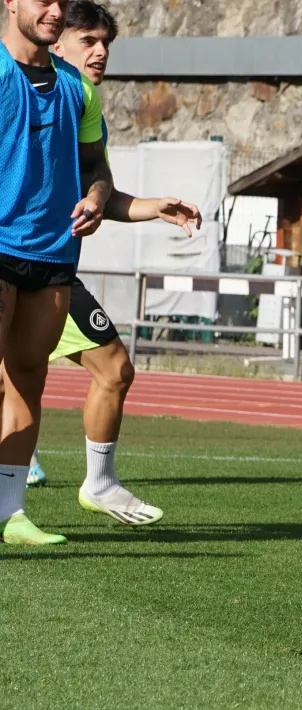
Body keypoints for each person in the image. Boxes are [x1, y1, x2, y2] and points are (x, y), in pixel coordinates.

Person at [7, 0, 201, 529]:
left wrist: (147, 207)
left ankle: (56, 492)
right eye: (88, 41)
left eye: (106, 43)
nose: (100, 52)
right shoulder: (15, 79)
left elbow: (96, 185)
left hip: (52, 263)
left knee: (89, 373)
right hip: (16, 256)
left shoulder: (79, 98)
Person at [0, 0, 114, 544]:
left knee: (28, 378)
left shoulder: (77, 88)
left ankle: (10, 512)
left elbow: (96, 167)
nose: (53, 10)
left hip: (53, 256)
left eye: (60, 2)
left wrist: (97, 197)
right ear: (9, 2)